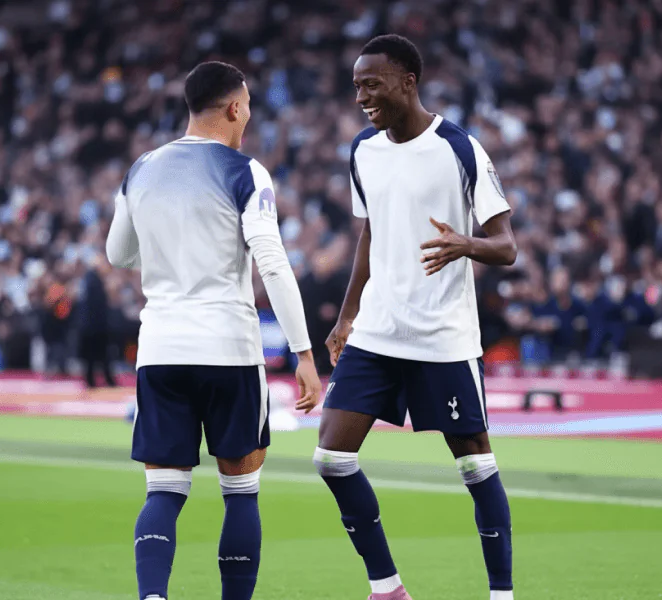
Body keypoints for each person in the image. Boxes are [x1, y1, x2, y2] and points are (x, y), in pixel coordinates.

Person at [106, 61, 323, 600]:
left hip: (161, 349)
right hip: (228, 349)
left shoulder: (142, 169)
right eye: (247, 107)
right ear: (234, 108)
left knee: (163, 490)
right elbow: (272, 262)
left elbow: (117, 253)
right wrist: (303, 353)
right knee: (241, 491)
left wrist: (168, 250)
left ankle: (152, 597)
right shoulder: (244, 171)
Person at [316, 36, 518, 600]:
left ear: (408, 81)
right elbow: (370, 232)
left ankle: (501, 594)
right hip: (377, 331)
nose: (361, 97)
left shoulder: (460, 148)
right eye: (356, 86)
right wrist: (347, 316)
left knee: (475, 466)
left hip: (442, 337)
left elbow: (507, 246)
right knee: (331, 457)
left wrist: (465, 244)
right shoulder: (363, 150)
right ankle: (387, 588)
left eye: (371, 84)